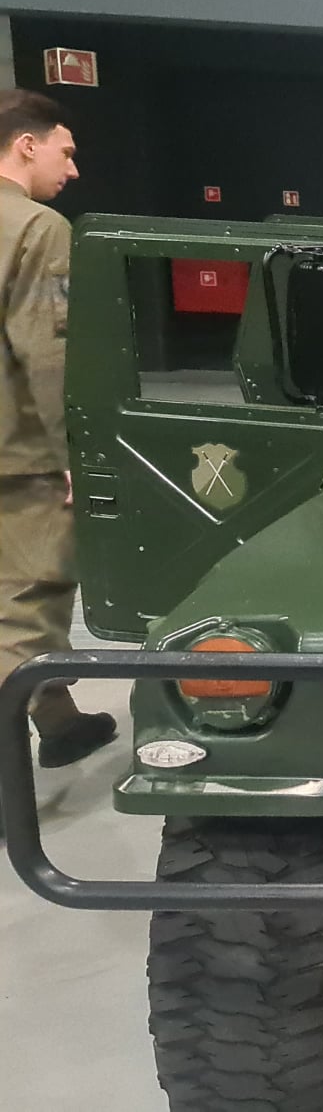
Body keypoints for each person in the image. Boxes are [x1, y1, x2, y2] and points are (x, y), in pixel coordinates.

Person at [0, 91, 117, 782]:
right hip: (19, 455)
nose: (72, 169)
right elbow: (48, 352)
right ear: (26, 145)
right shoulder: (37, 228)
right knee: (27, 605)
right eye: (64, 152)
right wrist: (77, 452)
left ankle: (60, 723)